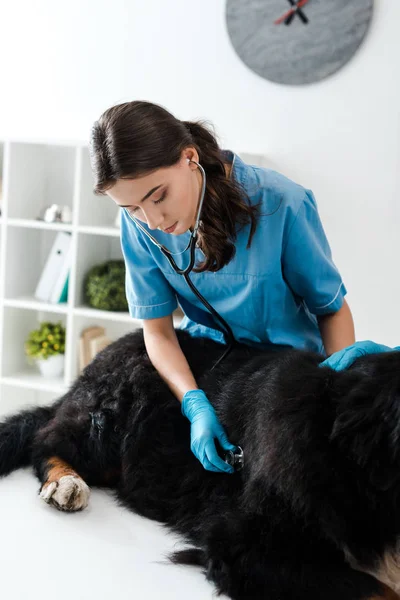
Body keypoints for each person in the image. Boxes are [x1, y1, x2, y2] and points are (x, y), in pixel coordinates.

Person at [89, 100, 394, 475]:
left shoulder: (282, 203)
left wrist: (335, 387)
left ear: (189, 157)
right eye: (132, 208)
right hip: (208, 357)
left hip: (284, 365)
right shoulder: (137, 226)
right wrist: (193, 403)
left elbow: (330, 308)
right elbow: (157, 329)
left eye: (159, 196)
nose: (152, 220)